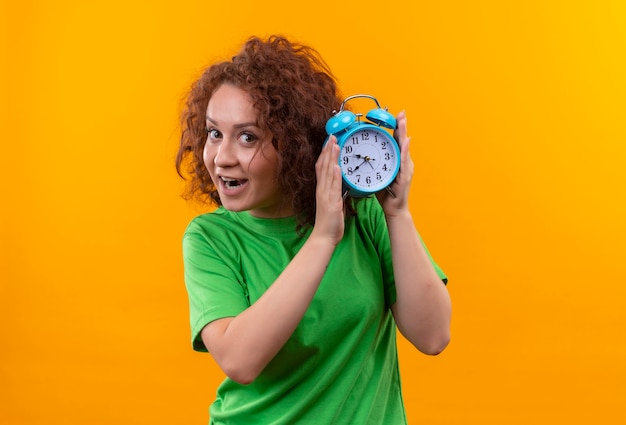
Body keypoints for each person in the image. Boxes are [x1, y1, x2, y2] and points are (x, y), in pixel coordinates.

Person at [176, 35, 451, 425]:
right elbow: (240, 360)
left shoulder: (364, 214)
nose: (222, 157)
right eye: (214, 133)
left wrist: (398, 213)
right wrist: (323, 238)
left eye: (248, 137)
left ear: (295, 145)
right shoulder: (211, 238)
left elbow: (433, 336)